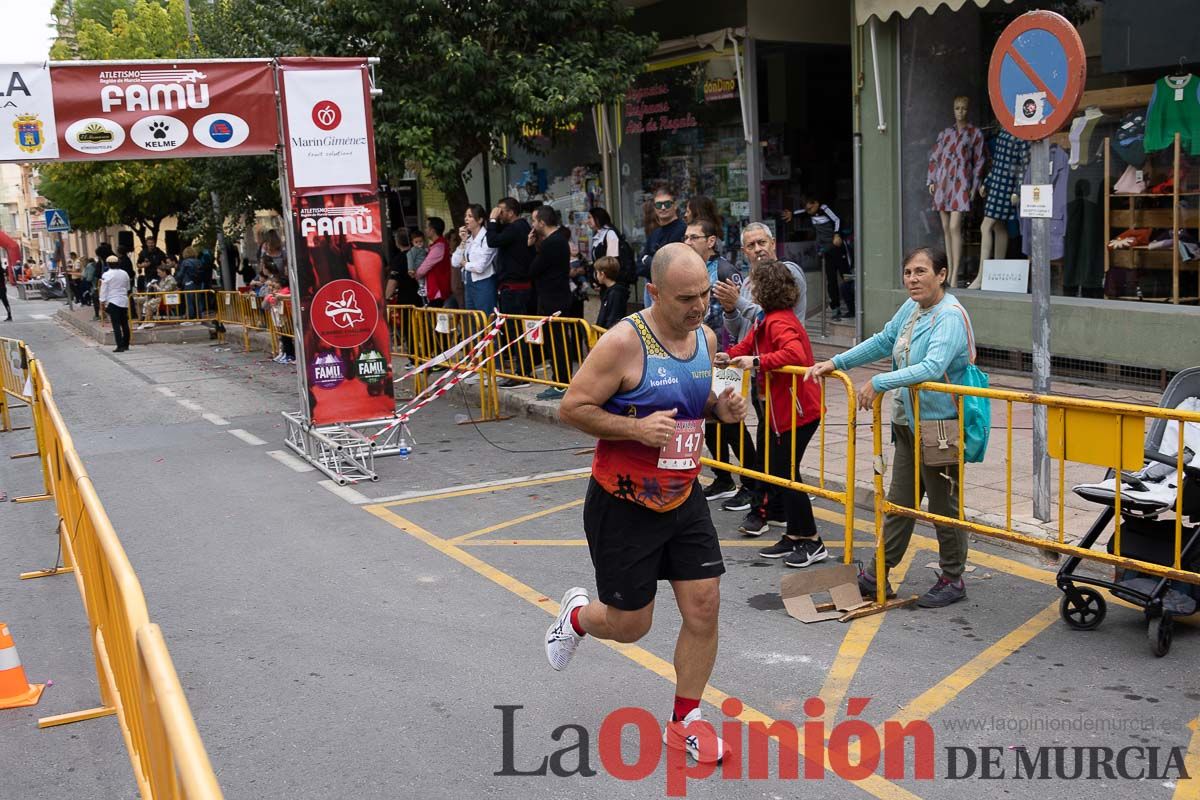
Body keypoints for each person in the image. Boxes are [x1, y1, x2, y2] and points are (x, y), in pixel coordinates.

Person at [548, 242, 747, 765]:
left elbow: (700, 401)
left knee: (704, 607)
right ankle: (576, 618)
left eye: (705, 293)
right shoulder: (622, 343)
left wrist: (724, 409)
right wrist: (635, 429)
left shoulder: (706, 337)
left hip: (684, 496)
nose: (700, 306)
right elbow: (573, 406)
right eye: (686, 297)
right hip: (623, 501)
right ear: (654, 292)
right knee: (632, 626)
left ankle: (685, 722)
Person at [807, 246, 974, 608]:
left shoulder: (950, 316)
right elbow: (884, 340)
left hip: (939, 426)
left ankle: (952, 577)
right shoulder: (913, 309)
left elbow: (932, 367)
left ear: (942, 275)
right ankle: (876, 574)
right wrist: (836, 362)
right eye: (908, 272)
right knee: (899, 503)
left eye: (921, 272)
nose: (913, 279)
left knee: (944, 507)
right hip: (906, 423)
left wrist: (881, 382)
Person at [715, 261, 826, 567]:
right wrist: (730, 356)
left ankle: (812, 540)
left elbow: (795, 355)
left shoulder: (779, 322)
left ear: (764, 289)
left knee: (787, 475)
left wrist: (757, 361)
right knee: (780, 473)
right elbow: (748, 344)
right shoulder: (768, 319)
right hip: (785, 412)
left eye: (752, 286)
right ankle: (795, 534)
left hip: (798, 412)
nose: (748, 290)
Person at [712, 223, 807, 531]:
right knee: (775, 459)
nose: (757, 249)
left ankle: (795, 529)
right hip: (765, 384)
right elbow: (748, 333)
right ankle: (778, 515)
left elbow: (775, 335)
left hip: (789, 392)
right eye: (750, 245)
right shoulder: (756, 292)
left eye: (761, 242)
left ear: (773, 242)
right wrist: (730, 313)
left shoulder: (784, 276)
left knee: (781, 463)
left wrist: (739, 303)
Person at [686, 217, 758, 509]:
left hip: (725, 357)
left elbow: (738, 318)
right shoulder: (690, 268)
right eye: (686, 237)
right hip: (699, 355)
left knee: (730, 420)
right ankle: (723, 476)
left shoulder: (726, 271)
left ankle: (751, 482)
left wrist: (732, 353)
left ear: (711, 241)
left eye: (694, 237)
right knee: (709, 419)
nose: (688, 242)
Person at [486, 198, 536, 389]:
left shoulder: (515, 229)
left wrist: (491, 221)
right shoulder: (520, 228)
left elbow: (492, 241)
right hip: (517, 287)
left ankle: (522, 373)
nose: (499, 214)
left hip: (514, 289)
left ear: (512, 212)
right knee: (518, 331)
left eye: (502, 211)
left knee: (516, 332)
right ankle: (525, 369)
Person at [527, 205, 573, 401]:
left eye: (535, 221)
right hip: (557, 297)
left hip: (553, 299)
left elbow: (533, 269)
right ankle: (561, 380)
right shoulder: (558, 240)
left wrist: (530, 248)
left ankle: (561, 382)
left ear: (542, 223)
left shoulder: (551, 243)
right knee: (557, 342)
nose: (533, 225)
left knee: (557, 343)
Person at [783, 195, 850, 319]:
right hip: (826, 250)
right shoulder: (809, 212)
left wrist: (837, 234)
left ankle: (852, 307)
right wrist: (792, 214)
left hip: (837, 247)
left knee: (845, 277)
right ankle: (835, 308)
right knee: (831, 280)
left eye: (809, 206)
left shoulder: (824, 208)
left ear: (816, 203)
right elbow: (801, 213)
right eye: (806, 208)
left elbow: (837, 220)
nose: (808, 210)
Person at [638, 186, 686, 307]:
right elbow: (639, 265)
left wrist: (649, 260)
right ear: (654, 208)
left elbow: (668, 266)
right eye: (659, 205)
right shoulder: (656, 232)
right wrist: (651, 261)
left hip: (670, 290)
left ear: (675, 205)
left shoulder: (682, 230)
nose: (663, 208)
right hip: (651, 288)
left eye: (667, 204)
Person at [452, 204, 498, 313]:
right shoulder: (468, 239)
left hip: (484, 283)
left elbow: (480, 267)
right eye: (465, 216)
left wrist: (465, 264)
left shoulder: (487, 238)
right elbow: (454, 262)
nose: (466, 219)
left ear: (480, 220)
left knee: (485, 318)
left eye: (470, 216)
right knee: (472, 319)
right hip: (469, 283)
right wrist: (463, 241)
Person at [415, 217, 451, 307]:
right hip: (436, 290)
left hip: (438, 290)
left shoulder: (439, 247)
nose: (425, 230)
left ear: (432, 230)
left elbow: (424, 268)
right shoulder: (437, 245)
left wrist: (416, 274)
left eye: (426, 227)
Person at [100, 254, 131, 352]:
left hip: (113, 301)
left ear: (108, 264)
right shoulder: (124, 273)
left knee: (116, 324)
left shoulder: (106, 275)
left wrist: (102, 301)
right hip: (124, 300)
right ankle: (126, 344)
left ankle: (120, 345)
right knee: (124, 323)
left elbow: (103, 289)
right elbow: (128, 287)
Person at [385, 229, 421, 306]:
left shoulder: (399, 259)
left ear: (397, 242)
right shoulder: (420, 254)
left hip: (407, 302)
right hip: (423, 300)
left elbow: (393, 282)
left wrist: (385, 299)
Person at [592, 256, 628, 329]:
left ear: (602, 274)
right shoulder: (610, 291)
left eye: (597, 273)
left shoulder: (615, 293)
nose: (596, 276)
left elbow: (613, 317)